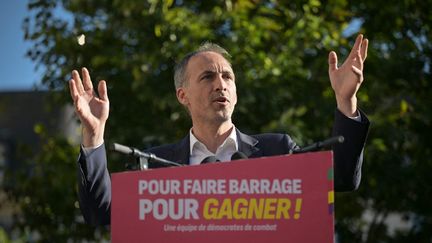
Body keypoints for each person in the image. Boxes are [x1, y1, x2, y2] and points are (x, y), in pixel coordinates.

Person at [69, 34, 370, 226]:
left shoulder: (277, 150)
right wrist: (93, 136)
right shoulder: (153, 165)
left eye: (228, 76)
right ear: (182, 95)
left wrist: (346, 101)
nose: (221, 84)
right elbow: (101, 212)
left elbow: (342, 177)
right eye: (208, 77)